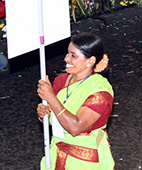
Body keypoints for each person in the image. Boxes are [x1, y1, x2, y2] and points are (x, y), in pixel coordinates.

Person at [36, 32, 115, 169]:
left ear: (90, 61)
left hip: (83, 159)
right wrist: (44, 114)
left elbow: (75, 127)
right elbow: (56, 118)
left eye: (73, 56)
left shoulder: (100, 92)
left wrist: (51, 98)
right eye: (68, 53)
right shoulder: (61, 80)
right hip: (57, 152)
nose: (66, 59)